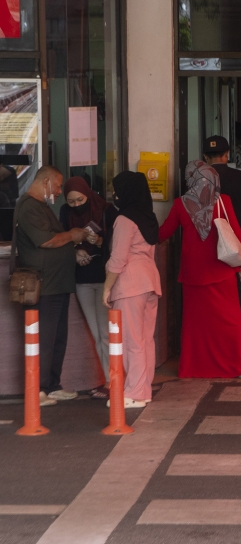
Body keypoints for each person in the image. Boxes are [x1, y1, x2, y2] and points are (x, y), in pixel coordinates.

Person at [159, 161, 241, 379]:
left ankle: (192, 368)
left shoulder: (180, 205)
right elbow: (236, 233)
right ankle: (240, 365)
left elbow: (163, 234)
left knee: (195, 325)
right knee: (231, 320)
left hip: (192, 276)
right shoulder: (222, 201)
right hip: (221, 271)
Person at [14, 166, 88, 406]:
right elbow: (46, 240)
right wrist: (72, 235)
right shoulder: (28, 206)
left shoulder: (42, 206)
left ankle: (52, 385)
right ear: (45, 182)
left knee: (57, 339)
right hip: (43, 285)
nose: (58, 191)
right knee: (43, 340)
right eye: (57, 186)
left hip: (57, 283)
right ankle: (37, 390)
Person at [101, 171, 161, 408]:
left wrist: (107, 288)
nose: (114, 194)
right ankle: (143, 389)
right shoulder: (149, 217)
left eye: (116, 190)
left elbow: (118, 258)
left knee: (131, 341)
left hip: (130, 284)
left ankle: (134, 392)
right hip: (150, 281)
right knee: (146, 340)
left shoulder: (125, 219)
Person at [59, 176, 117, 400]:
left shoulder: (107, 210)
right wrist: (75, 251)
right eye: (71, 201)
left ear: (88, 194)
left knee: (106, 333)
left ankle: (114, 381)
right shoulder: (65, 212)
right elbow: (61, 239)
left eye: (80, 200)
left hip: (104, 278)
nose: (76, 205)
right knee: (97, 334)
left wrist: (99, 242)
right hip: (81, 278)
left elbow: (117, 244)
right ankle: (109, 378)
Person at [204, 135, 241, 351]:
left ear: (205, 157)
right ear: (227, 155)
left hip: (206, 245)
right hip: (234, 246)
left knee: (211, 296)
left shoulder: (197, 180)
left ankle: (215, 346)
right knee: (239, 295)